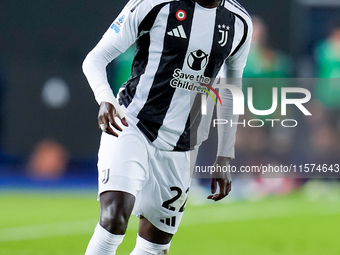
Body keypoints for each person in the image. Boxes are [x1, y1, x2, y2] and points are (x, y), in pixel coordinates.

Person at [82, 0, 252, 254]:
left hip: (181, 146)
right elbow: (95, 58)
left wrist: (224, 155)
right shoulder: (155, 4)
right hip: (131, 125)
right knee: (114, 219)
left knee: (155, 246)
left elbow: (230, 91)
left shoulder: (239, 22)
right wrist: (104, 98)